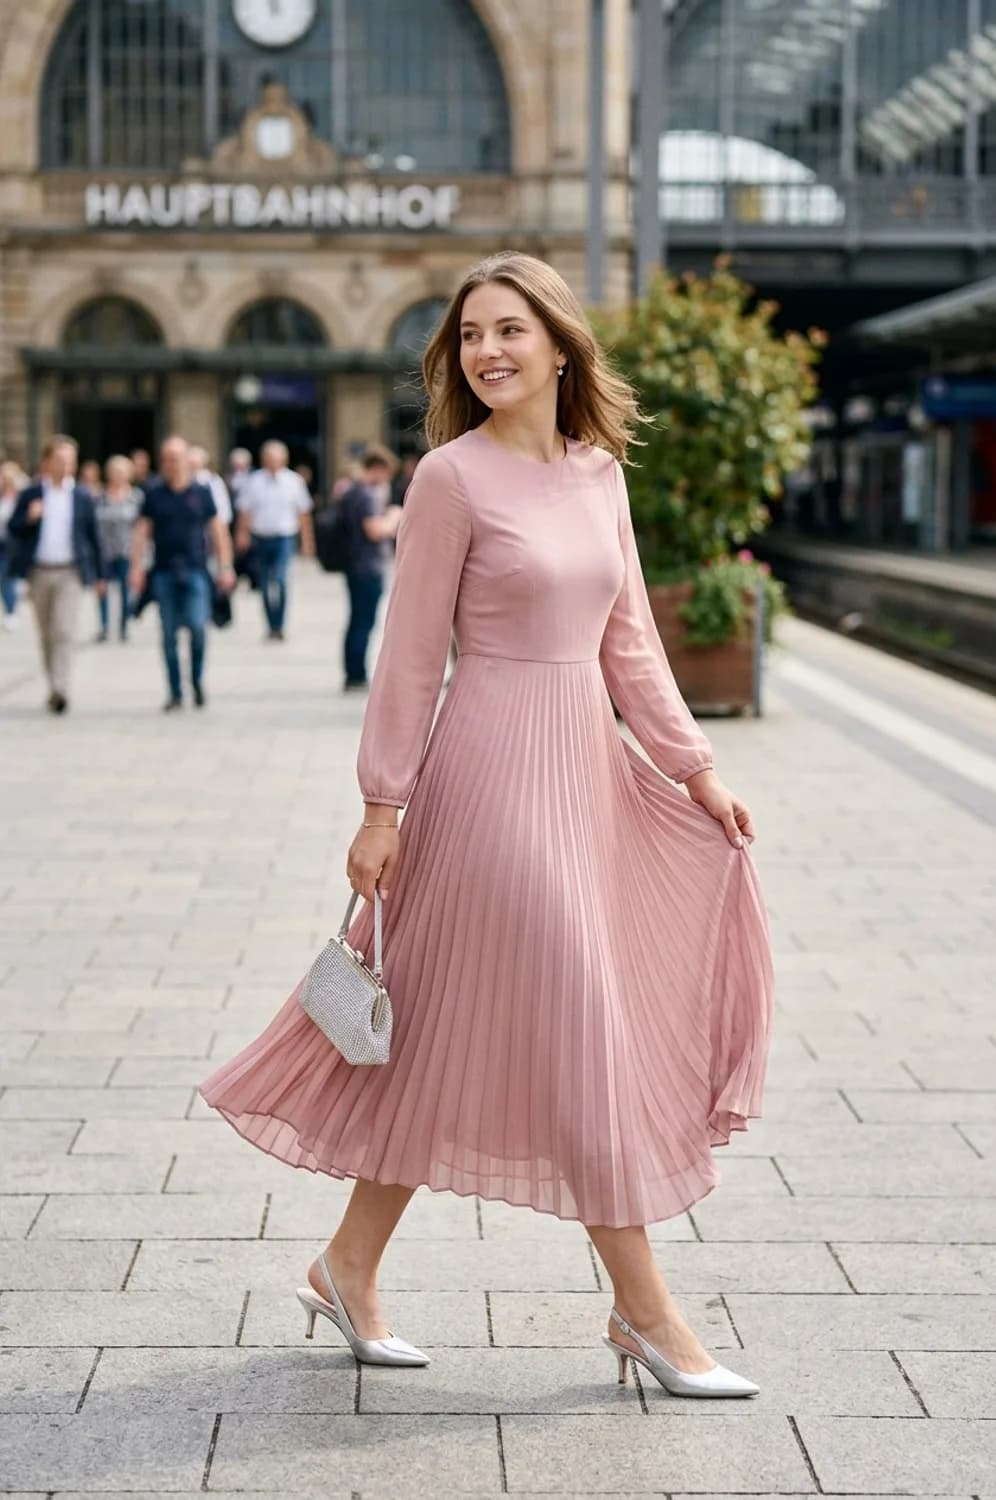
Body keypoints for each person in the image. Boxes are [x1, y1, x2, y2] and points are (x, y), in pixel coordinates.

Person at [200, 252, 773, 1397]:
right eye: (470, 336)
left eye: (510, 330)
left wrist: (694, 768)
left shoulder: (598, 472)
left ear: (560, 345)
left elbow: (629, 646)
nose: (488, 352)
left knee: (446, 1037)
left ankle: (346, 1267)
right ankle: (647, 1312)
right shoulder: (450, 478)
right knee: (579, 1015)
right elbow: (410, 658)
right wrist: (380, 804)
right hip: (486, 777)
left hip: (584, 772)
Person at [129, 435, 235, 712]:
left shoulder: (202, 492)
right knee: (168, 634)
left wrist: (225, 566)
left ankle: (197, 681)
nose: (171, 464)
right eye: (166, 458)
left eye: (175, 458)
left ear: (188, 460)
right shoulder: (153, 492)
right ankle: (175, 691)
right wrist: (136, 567)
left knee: (199, 628)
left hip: (197, 570)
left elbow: (218, 530)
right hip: (163, 571)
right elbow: (142, 531)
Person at [7, 434, 106, 713]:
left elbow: (93, 538)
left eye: (70, 461)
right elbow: (14, 528)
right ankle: (52, 684)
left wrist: (100, 575)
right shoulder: (32, 493)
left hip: (70, 572)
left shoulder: (82, 497)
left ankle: (60, 688)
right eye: (60, 460)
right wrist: (29, 517)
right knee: (46, 634)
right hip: (39, 571)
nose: (66, 467)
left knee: (63, 630)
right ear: (47, 462)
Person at [234, 440, 316, 640]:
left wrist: (307, 542)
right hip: (261, 538)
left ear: (284, 459)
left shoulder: (294, 481)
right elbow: (245, 511)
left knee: (280, 579)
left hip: (284, 538)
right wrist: (242, 534)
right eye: (268, 458)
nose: (272, 462)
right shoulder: (254, 481)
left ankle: (280, 624)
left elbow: (303, 514)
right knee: (263, 582)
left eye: (276, 458)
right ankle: (270, 625)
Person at [337, 449, 403, 691]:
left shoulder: (350, 492)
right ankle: (356, 674)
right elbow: (375, 530)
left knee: (356, 619)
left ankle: (353, 671)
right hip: (367, 566)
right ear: (378, 469)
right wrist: (394, 517)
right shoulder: (364, 495)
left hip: (355, 564)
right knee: (364, 621)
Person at [94, 454, 141, 642]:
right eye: (114, 472)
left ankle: (124, 626)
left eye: (121, 472)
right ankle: (104, 626)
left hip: (127, 549)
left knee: (125, 590)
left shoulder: (136, 497)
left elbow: (142, 527)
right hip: (104, 550)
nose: (118, 476)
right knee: (103, 589)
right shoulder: (100, 497)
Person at [0, 461, 28, 631]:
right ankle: (11, 608)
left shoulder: (20, 497)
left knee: (7, 578)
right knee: (4, 580)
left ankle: (11, 611)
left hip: (14, 544)